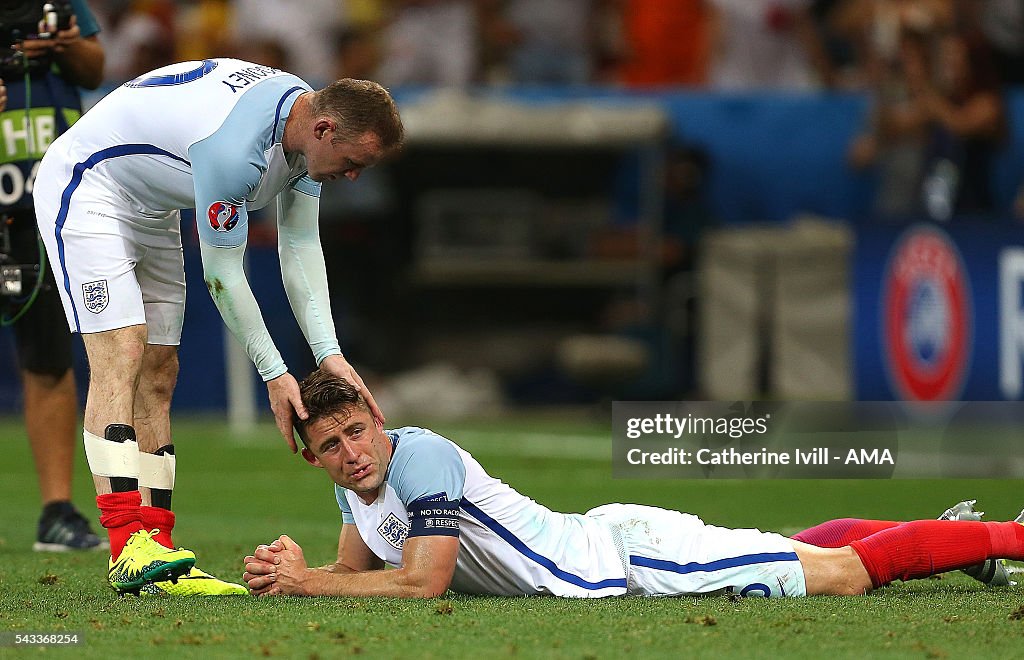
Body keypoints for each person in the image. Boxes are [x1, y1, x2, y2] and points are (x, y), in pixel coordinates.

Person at [33, 60, 404, 595]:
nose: (353, 177)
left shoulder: (305, 128)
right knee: (122, 351)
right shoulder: (237, 151)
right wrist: (276, 374)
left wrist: (330, 354)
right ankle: (124, 542)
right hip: (90, 187)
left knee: (160, 370)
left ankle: (155, 550)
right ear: (325, 129)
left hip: (156, 203)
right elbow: (224, 274)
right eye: (353, 162)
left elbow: (297, 246)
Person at [242, 370, 1024, 599]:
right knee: (781, 549)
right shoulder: (355, 486)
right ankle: (953, 542)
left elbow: (424, 583)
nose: (350, 453)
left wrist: (311, 587)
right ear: (313, 456)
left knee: (845, 579)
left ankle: (1012, 536)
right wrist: (291, 569)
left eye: (355, 432)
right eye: (331, 445)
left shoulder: (419, 458)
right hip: (608, 542)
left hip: (624, 561)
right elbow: (355, 573)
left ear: (377, 420)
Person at [0, 1, 104, 552]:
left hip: (41, 206)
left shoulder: (60, 4)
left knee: (46, 358)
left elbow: (93, 67)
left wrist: (63, 45)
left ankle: (57, 511)